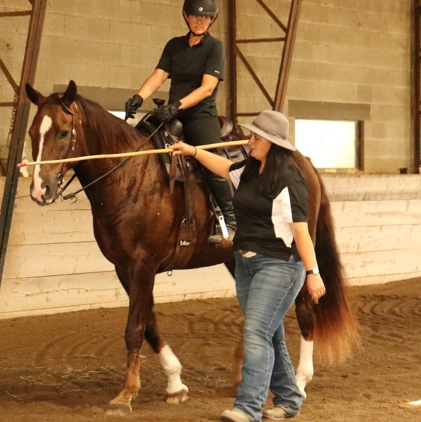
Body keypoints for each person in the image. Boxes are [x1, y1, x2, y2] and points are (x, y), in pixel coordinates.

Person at [169, 110, 326, 422]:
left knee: (255, 332)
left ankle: (248, 407)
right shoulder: (251, 170)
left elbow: (300, 231)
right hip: (246, 264)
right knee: (270, 334)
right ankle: (290, 398)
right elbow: (225, 168)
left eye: (256, 137)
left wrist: (313, 273)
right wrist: (193, 151)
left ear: (272, 143)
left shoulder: (290, 181)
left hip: (280, 265)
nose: (249, 141)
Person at [124, 0, 236, 247]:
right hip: (172, 113)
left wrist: (177, 106)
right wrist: (139, 96)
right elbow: (159, 76)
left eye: (205, 18)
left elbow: (207, 88)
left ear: (212, 20)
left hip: (200, 115)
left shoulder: (215, 48)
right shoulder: (174, 45)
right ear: (186, 17)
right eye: (195, 17)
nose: (200, 21)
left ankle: (232, 219)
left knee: (209, 159)